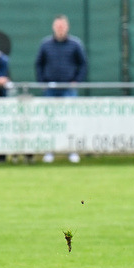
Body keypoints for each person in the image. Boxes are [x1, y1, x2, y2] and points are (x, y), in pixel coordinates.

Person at [35, 15, 87, 163]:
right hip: (50, 89)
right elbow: (39, 64)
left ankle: (71, 150)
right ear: (53, 27)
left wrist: (76, 81)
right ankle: (50, 150)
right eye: (58, 26)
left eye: (62, 26)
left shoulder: (75, 44)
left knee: (70, 120)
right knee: (50, 121)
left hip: (68, 89)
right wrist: (42, 82)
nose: (60, 29)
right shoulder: (45, 45)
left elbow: (83, 64)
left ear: (67, 27)